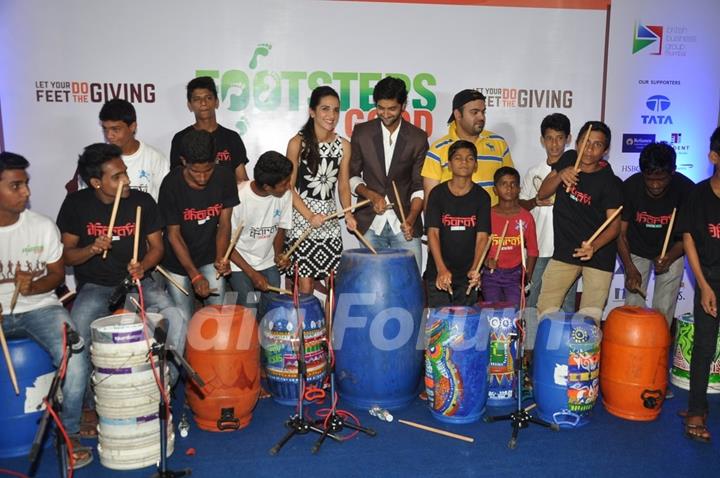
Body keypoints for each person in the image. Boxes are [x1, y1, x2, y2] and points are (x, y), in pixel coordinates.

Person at [57, 144, 186, 428]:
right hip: (95, 285)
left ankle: (162, 384)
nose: (126, 180)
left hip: (138, 282)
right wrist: (91, 249)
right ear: (96, 182)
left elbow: (156, 247)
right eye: (117, 177)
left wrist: (143, 265)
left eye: (125, 173)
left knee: (175, 319)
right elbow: (66, 256)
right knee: (77, 342)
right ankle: (78, 418)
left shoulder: (142, 201)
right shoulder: (76, 205)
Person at [0, 152, 92, 469]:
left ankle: (70, 433)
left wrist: (34, 286)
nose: (25, 192)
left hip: (39, 308)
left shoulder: (41, 227)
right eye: (16, 186)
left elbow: (56, 275)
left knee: (75, 354)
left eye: (26, 184)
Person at [536, 121, 623, 323]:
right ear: (576, 143)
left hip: (598, 256)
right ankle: (545, 353)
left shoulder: (610, 182)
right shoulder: (568, 159)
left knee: (589, 319)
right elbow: (543, 193)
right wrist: (561, 175)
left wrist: (594, 246)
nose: (589, 149)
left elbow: (614, 226)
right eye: (586, 141)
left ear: (606, 150)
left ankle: (584, 356)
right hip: (565, 251)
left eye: (597, 145)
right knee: (545, 311)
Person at [348, 76, 428, 271]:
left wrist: (411, 219)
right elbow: (352, 176)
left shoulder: (417, 137)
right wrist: (370, 195)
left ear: (403, 105)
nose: (385, 113)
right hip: (369, 223)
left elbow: (419, 187)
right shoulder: (362, 132)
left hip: (404, 224)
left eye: (392, 108)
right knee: (371, 285)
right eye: (380, 108)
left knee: (410, 284)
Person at [158, 129, 239, 319]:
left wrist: (220, 259)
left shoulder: (225, 177)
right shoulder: (171, 184)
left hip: (209, 255)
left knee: (217, 313)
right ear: (184, 161)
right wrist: (194, 275)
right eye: (195, 171)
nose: (203, 178)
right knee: (183, 317)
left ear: (216, 161)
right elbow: (173, 235)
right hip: (176, 261)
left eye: (208, 170)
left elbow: (224, 224)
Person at [519, 113, 577, 359]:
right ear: (542, 140)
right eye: (550, 138)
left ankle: (565, 357)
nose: (555, 144)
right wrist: (537, 200)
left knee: (566, 306)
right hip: (539, 249)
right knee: (532, 305)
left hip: (567, 251)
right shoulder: (534, 171)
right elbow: (521, 206)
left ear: (569, 139)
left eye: (560, 138)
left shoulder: (576, 172)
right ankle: (529, 357)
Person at [618, 142, 694, 326]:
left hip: (672, 249)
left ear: (673, 172)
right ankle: (633, 348)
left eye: (661, 179)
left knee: (664, 307)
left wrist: (669, 257)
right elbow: (620, 233)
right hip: (635, 248)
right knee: (633, 306)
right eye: (649, 178)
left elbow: (688, 236)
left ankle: (657, 351)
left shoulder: (687, 190)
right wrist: (629, 268)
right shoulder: (630, 187)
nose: (655, 185)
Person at [285, 86, 352, 294]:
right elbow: (288, 187)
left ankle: (329, 326)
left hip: (329, 219)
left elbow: (343, 184)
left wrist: (348, 213)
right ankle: (306, 327)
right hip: (301, 219)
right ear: (312, 111)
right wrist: (309, 215)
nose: (331, 115)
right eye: (325, 109)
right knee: (305, 283)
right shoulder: (297, 143)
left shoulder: (344, 145)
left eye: (335, 110)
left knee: (332, 281)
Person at [678, 127, 720, 443]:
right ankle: (696, 408)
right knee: (704, 347)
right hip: (710, 283)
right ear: (713, 157)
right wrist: (703, 286)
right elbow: (690, 239)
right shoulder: (698, 195)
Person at [424, 140, 490, 307]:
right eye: (458, 158)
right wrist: (441, 269)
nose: (464, 162)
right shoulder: (437, 194)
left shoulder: (482, 197)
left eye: (469, 158)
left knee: (465, 328)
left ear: (475, 164)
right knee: (440, 330)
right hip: (439, 273)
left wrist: (475, 269)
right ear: (449, 164)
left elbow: (482, 237)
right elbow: (433, 233)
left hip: (467, 277)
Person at [421, 89, 513, 206]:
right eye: (474, 112)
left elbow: (510, 187)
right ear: (458, 115)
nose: (481, 117)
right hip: (451, 221)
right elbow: (430, 201)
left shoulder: (499, 143)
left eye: (483, 112)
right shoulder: (437, 149)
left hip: (491, 222)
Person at [64, 99, 169, 200]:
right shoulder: (95, 159)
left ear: (132, 127)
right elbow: (82, 199)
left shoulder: (155, 159)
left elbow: (165, 201)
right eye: (105, 129)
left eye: (115, 129)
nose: (109, 135)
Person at [229, 151, 292, 317]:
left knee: (273, 310)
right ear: (267, 187)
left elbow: (281, 228)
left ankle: (268, 343)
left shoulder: (285, 195)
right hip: (239, 262)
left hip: (267, 260)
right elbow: (227, 246)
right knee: (249, 308)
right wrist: (252, 274)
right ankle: (250, 342)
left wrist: (279, 255)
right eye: (284, 183)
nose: (288, 186)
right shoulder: (237, 198)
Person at [170, 76, 249, 182]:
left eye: (208, 98)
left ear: (216, 102)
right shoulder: (181, 138)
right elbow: (176, 180)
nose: (203, 103)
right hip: (193, 198)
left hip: (226, 197)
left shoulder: (231, 137)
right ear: (190, 105)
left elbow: (242, 179)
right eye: (197, 99)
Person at [482, 167, 538, 307]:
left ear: (519, 189)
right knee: (492, 312)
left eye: (513, 184)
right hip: (491, 274)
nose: (509, 188)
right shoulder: (487, 215)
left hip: (515, 274)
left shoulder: (526, 217)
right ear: (495, 189)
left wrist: (527, 276)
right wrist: (485, 262)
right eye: (504, 184)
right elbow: (478, 245)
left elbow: (532, 250)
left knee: (514, 313)